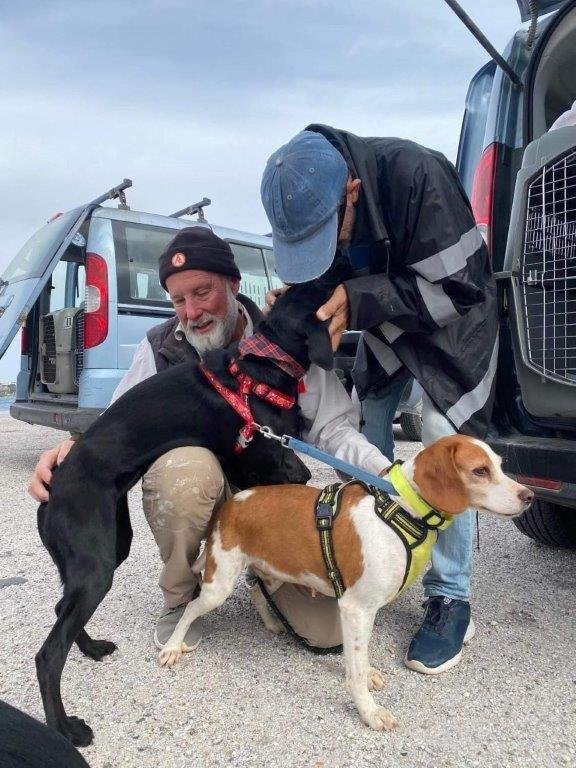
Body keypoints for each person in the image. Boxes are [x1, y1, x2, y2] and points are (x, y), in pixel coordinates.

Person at [28, 226, 389, 655]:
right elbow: (116, 422)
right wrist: (70, 452)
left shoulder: (286, 338)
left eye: (203, 292)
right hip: (202, 488)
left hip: (267, 503)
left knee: (329, 631)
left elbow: (335, 430)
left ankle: (261, 573)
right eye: (178, 300)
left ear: (234, 284)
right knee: (185, 472)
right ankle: (181, 597)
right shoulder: (160, 348)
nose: (192, 311)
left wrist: (384, 471)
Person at [261, 126, 499, 675]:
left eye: (326, 234)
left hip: (455, 324)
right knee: (370, 417)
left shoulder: (419, 175)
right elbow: (338, 270)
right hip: (389, 325)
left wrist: (362, 297)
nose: (329, 248)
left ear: (350, 191)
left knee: (444, 435)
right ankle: (379, 549)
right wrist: (299, 296)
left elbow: (461, 287)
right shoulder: (311, 187)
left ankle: (449, 595)